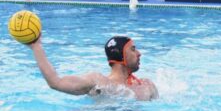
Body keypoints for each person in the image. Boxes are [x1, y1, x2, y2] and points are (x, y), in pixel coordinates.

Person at [27, 35, 159, 101]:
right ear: (121, 55)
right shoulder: (99, 83)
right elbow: (56, 83)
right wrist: (36, 46)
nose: (139, 53)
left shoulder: (147, 85)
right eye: (133, 49)